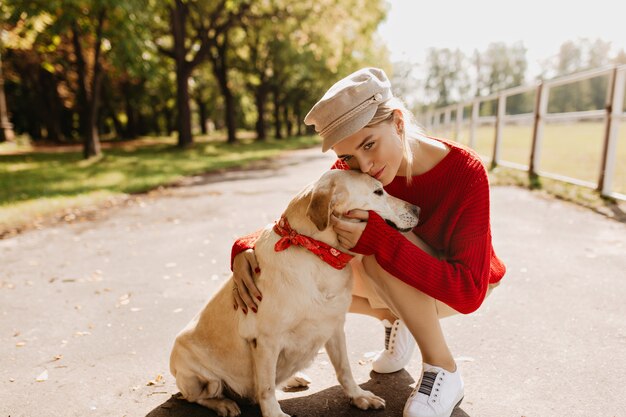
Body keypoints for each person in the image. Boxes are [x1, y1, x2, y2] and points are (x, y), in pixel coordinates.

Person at [230, 67, 506, 417]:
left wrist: (382, 238)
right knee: (309, 279)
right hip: (399, 277)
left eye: (369, 144)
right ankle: (398, 319)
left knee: (375, 255)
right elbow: (306, 217)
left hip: (459, 285)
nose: (365, 166)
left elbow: (468, 293)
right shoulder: (354, 170)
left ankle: (443, 369)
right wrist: (248, 245)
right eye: (350, 158)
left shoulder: (466, 172)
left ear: (399, 123)